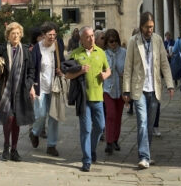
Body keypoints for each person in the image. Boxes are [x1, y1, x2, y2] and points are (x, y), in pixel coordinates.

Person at [122, 11, 174, 169]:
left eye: (152, 27)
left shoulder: (158, 40)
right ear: (141, 27)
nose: (150, 29)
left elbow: (164, 63)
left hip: (155, 89)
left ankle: (147, 153)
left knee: (150, 125)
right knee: (142, 123)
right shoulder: (133, 41)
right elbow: (128, 66)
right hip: (139, 89)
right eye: (147, 27)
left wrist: (170, 84)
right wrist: (126, 91)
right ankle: (144, 156)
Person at [0, 22, 36, 162]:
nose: (15, 36)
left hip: (21, 91)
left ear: (21, 35)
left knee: (16, 120)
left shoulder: (26, 51)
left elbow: (31, 70)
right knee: (8, 118)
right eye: (12, 33)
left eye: (18, 33)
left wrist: (28, 84)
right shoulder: (1, 49)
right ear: (8, 35)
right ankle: (6, 147)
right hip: (5, 90)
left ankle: (14, 149)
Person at [63, 26, 110, 173]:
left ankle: (92, 149)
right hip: (83, 98)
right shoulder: (76, 54)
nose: (91, 39)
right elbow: (67, 75)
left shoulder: (101, 53)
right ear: (82, 39)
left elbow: (108, 69)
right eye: (88, 36)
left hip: (98, 97)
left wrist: (105, 75)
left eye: (92, 36)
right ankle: (87, 159)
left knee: (100, 126)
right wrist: (80, 71)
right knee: (86, 129)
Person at [28, 21, 65, 157]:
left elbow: (63, 61)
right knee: (41, 114)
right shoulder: (37, 49)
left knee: (54, 117)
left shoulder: (58, 46)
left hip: (54, 86)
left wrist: (62, 71)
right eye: (50, 35)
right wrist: (31, 86)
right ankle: (34, 132)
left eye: (54, 34)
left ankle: (51, 145)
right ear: (43, 35)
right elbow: (31, 69)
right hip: (40, 87)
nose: (52, 37)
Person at [102, 28, 126, 155]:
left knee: (118, 116)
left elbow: (126, 69)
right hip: (108, 88)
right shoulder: (104, 54)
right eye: (111, 41)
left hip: (121, 88)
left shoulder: (124, 53)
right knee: (110, 114)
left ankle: (116, 139)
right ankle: (109, 141)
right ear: (107, 42)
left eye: (115, 41)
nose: (113, 43)